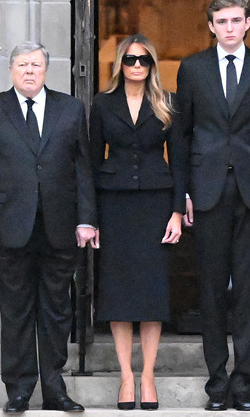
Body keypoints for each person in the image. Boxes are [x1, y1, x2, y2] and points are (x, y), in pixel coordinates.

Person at [0, 41, 97, 414]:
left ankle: (55, 389)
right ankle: (20, 390)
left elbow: (83, 168)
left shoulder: (71, 109)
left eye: (36, 65)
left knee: (57, 310)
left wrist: (86, 219)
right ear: (11, 70)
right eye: (23, 65)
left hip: (60, 228)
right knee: (16, 310)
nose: (29, 71)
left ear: (46, 69)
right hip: (10, 228)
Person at [173, 0, 250, 412]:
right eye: (222, 22)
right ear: (211, 26)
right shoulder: (193, 68)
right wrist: (181, 192)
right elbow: (181, 135)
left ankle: (243, 386)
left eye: (237, 20)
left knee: (248, 294)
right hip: (206, 190)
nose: (230, 28)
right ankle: (216, 385)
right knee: (212, 290)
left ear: (248, 23)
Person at [88, 34, 186, 411]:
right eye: (130, 60)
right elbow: (93, 159)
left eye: (144, 60)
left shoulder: (167, 102)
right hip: (113, 204)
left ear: (152, 65)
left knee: (151, 290)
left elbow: (178, 159)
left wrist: (177, 211)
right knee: (118, 290)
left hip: (155, 202)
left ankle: (148, 375)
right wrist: (90, 218)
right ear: (120, 64)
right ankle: (126, 376)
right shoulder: (101, 103)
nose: (137, 66)